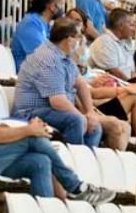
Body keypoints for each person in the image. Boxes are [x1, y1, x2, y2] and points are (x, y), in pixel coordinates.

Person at [0, 47, 113, 202]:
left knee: (40, 162)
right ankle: (75, 186)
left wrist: (27, 129)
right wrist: (28, 130)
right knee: (32, 136)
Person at [12, 19, 105, 147]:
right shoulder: (49, 59)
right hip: (31, 112)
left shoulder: (65, 57)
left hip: (52, 110)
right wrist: (82, 117)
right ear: (69, 39)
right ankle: (73, 161)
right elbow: (57, 101)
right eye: (78, 36)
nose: (81, 40)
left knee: (94, 126)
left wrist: (90, 112)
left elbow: (81, 84)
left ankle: (86, 162)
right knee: (77, 120)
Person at [11, 0, 65, 70]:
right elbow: (44, 58)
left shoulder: (47, 26)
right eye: (61, 3)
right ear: (51, 6)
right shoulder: (30, 24)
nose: (63, 7)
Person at [89, 8, 136, 81]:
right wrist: (133, 84)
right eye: (131, 25)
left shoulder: (124, 42)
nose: (134, 29)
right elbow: (114, 72)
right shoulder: (104, 41)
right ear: (121, 25)